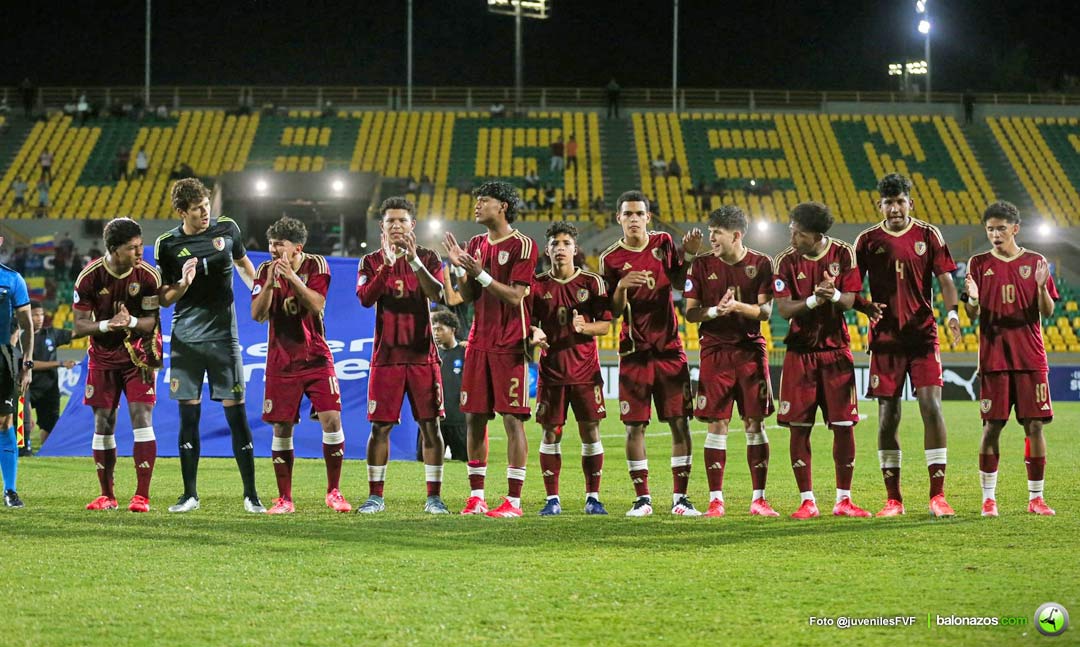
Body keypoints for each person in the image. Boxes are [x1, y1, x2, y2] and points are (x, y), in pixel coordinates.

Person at [854, 173, 961, 518]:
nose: (895, 208)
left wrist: (953, 314)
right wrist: (864, 306)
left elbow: (946, 280)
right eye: (889, 203)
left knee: (931, 406)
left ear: (910, 203)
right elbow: (852, 286)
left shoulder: (928, 235)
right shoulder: (867, 240)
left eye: (900, 202)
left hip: (922, 335)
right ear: (880, 206)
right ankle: (894, 500)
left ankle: (938, 496)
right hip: (885, 340)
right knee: (888, 416)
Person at [155, 177, 264, 513]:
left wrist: (259, 292)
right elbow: (164, 298)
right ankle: (189, 495)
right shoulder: (167, 245)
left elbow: (244, 264)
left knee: (237, 415)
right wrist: (183, 283)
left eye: (206, 206)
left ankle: (251, 495)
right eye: (197, 209)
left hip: (223, 339)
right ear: (181, 212)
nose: (204, 213)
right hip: (186, 340)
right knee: (188, 418)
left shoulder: (227, 228)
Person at [599, 190, 704, 517]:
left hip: (669, 348)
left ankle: (680, 499)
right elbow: (613, 311)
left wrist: (689, 256)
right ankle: (642, 499)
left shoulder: (663, 242)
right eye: (627, 214)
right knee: (634, 426)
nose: (633, 219)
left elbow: (679, 283)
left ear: (648, 217)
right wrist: (621, 286)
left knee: (679, 422)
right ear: (619, 218)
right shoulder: (610, 258)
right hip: (634, 351)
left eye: (639, 214)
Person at [442, 181, 539, 517]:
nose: (477, 205)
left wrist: (480, 273)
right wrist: (460, 268)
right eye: (477, 200)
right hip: (479, 342)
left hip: (510, 343)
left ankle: (513, 501)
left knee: (513, 420)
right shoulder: (476, 244)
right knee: (474, 418)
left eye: (484, 200)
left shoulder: (523, 245)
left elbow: (515, 296)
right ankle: (477, 497)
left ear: (503, 206)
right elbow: (468, 296)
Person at [773, 202, 870, 519]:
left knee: (843, 426)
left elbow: (850, 300)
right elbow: (784, 309)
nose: (792, 237)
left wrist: (834, 295)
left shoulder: (843, 253)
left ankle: (844, 500)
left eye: (797, 233)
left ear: (814, 235)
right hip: (799, 353)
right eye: (791, 230)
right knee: (799, 428)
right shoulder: (785, 261)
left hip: (836, 351)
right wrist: (816, 299)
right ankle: (807, 501)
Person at [683, 206, 779, 517]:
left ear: (736, 235)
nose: (711, 238)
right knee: (717, 423)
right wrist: (715, 311)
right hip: (715, 352)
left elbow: (765, 313)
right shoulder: (701, 265)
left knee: (754, 422)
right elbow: (690, 312)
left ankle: (759, 499)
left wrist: (736, 306)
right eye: (710, 232)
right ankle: (716, 500)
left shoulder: (761, 263)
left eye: (717, 233)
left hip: (750, 351)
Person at [964, 201, 1058, 517]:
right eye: (990, 229)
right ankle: (988, 498)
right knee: (992, 426)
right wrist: (973, 299)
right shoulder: (977, 263)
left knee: (1035, 426)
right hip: (994, 359)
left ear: (1015, 229)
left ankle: (1036, 498)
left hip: (1030, 357)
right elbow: (971, 313)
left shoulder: (1036, 261)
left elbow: (1047, 311)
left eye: (1001, 228)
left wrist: (1042, 288)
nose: (995, 234)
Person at [251, 217, 350, 514]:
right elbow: (257, 315)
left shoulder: (316, 265)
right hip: (281, 361)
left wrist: (292, 278)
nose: (273, 249)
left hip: (316, 357)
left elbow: (317, 304)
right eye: (271, 244)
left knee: (331, 419)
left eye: (279, 244)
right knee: (282, 427)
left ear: (297, 247)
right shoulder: (264, 270)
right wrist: (270, 284)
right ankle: (285, 499)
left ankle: (334, 491)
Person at [356, 197, 448, 514]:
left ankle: (434, 498)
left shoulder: (429, 257)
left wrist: (413, 262)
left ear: (412, 225)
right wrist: (386, 265)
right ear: (382, 226)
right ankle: (375, 497)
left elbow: (438, 294)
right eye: (390, 221)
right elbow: (365, 298)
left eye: (402, 221)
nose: (396, 226)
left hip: (423, 357)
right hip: (387, 358)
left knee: (430, 426)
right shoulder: (370, 261)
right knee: (380, 428)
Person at [71, 218, 162, 512]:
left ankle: (141, 497)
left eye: (140, 245)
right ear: (113, 249)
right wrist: (107, 325)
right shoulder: (89, 277)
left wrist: (131, 321)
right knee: (103, 422)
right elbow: (79, 325)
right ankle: (107, 495)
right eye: (132, 248)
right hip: (103, 358)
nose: (140, 252)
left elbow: (150, 322)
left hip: (138, 356)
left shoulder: (148, 276)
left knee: (141, 417)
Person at [529, 222, 612, 516]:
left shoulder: (593, 283)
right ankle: (552, 499)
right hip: (552, 373)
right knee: (551, 433)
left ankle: (593, 498)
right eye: (555, 243)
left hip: (586, 373)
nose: (561, 248)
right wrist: (534, 332)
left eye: (566, 243)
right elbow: (528, 322)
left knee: (590, 431)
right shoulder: (536, 285)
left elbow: (605, 324)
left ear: (575, 249)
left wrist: (584, 327)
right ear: (547, 250)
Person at [0, 236, 33, 508]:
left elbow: (27, 324)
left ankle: (10, 490)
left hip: (2, 358)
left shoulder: (12, 279)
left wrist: (27, 363)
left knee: (4, 422)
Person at [26, 301, 75, 451]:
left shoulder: (51, 334)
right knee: (24, 423)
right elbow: (29, 364)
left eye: (41, 314)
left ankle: (46, 451)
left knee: (50, 426)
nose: (39, 318)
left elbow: (76, 333)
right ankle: (22, 450)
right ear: (26, 316)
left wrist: (101, 327)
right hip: (26, 387)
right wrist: (60, 363)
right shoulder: (20, 336)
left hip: (49, 390)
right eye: (35, 315)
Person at [422, 310, 466, 461]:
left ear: (452, 330)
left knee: (463, 460)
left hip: (459, 420)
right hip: (436, 419)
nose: (436, 333)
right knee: (425, 460)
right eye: (434, 329)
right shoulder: (431, 354)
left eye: (440, 329)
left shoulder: (465, 352)